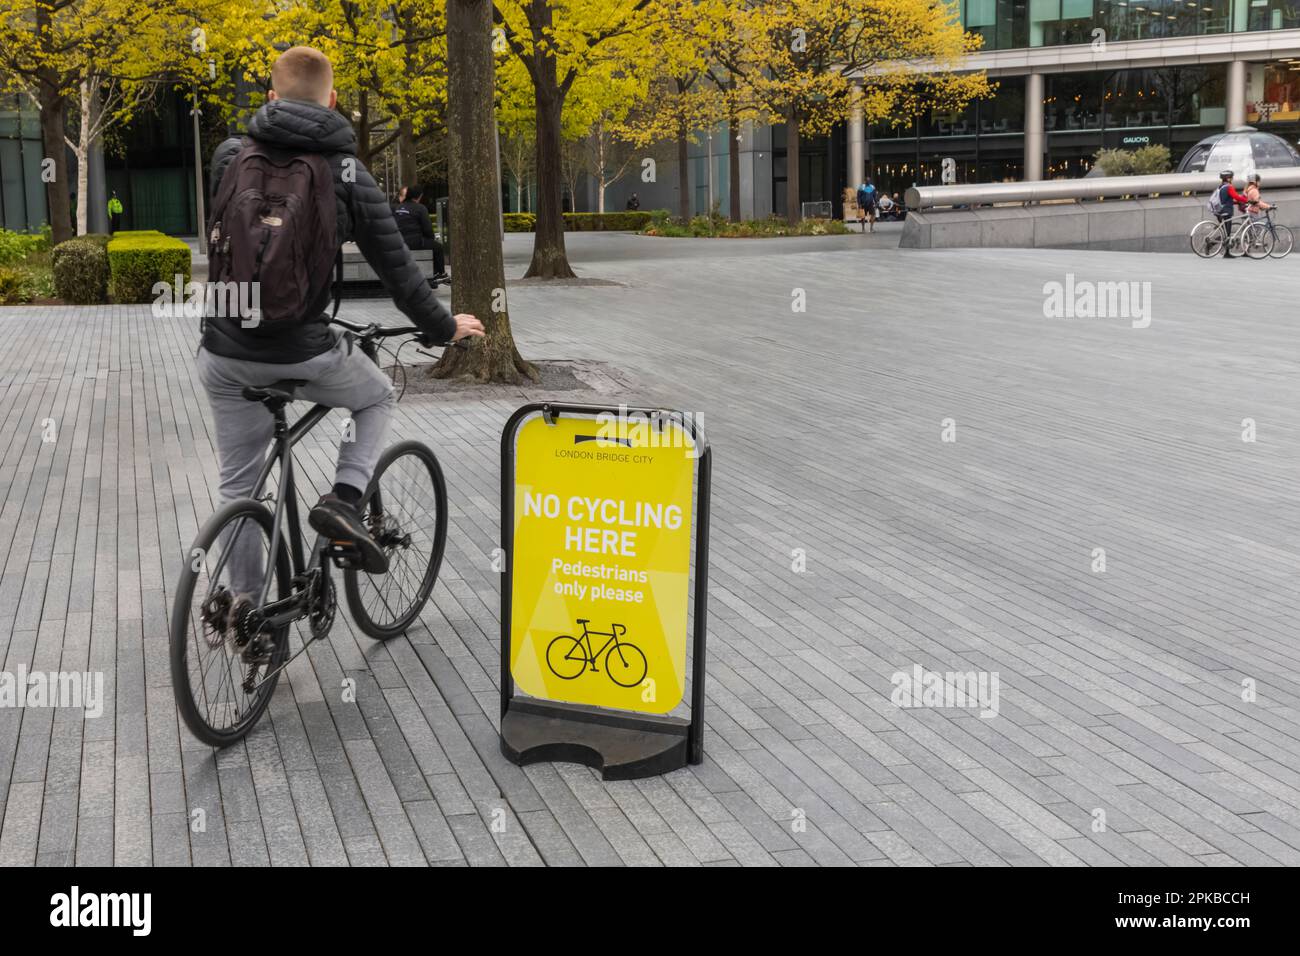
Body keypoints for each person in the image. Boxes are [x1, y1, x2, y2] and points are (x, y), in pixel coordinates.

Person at [199, 46, 483, 636]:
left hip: (223, 350)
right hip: (302, 349)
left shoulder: (230, 154)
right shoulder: (349, 174)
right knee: (376, 394)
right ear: (332, 100)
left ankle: (245, 609)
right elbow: (402, 275)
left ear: (270, 97)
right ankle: (345, 500)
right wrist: (444, 328)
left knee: (238, 485)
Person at [392, 183, 446, 277]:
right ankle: (440, 273)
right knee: (438, 248)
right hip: (415, 242)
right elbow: (428, 229)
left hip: (398, 242)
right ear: (419, 196)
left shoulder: (397, 207)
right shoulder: (420, 208)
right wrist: (431, 239)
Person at [1211, 169, 1253, 258]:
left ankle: (1212, 244)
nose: (1232, 179)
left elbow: (1225, 200)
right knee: (1228, 233)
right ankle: (1226, 253)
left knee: (1225, 233)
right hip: (1226, 212)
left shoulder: (1220, 187)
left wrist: (1236, 203)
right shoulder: (1229, 187)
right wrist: (1248, 200)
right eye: (1232, 177)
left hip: (1219, 211)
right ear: (1229, 178)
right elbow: (1236, 196)